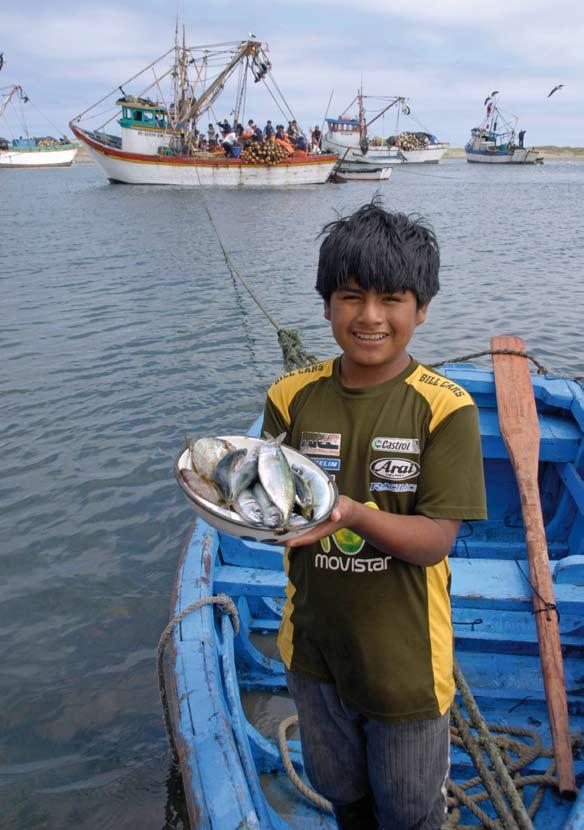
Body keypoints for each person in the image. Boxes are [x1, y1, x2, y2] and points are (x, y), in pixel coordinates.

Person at [262, 200, 487, 830]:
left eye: (391, 298)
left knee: (410, 813)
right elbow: (271, 506)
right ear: (326, 303)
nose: (369, 317)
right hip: (312, 647)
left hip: (405, 663)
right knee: (344, 797)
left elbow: (434, 541)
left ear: (421, 308)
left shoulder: (446, 408)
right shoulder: (290, 395)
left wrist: (352, 513)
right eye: (350, 296)